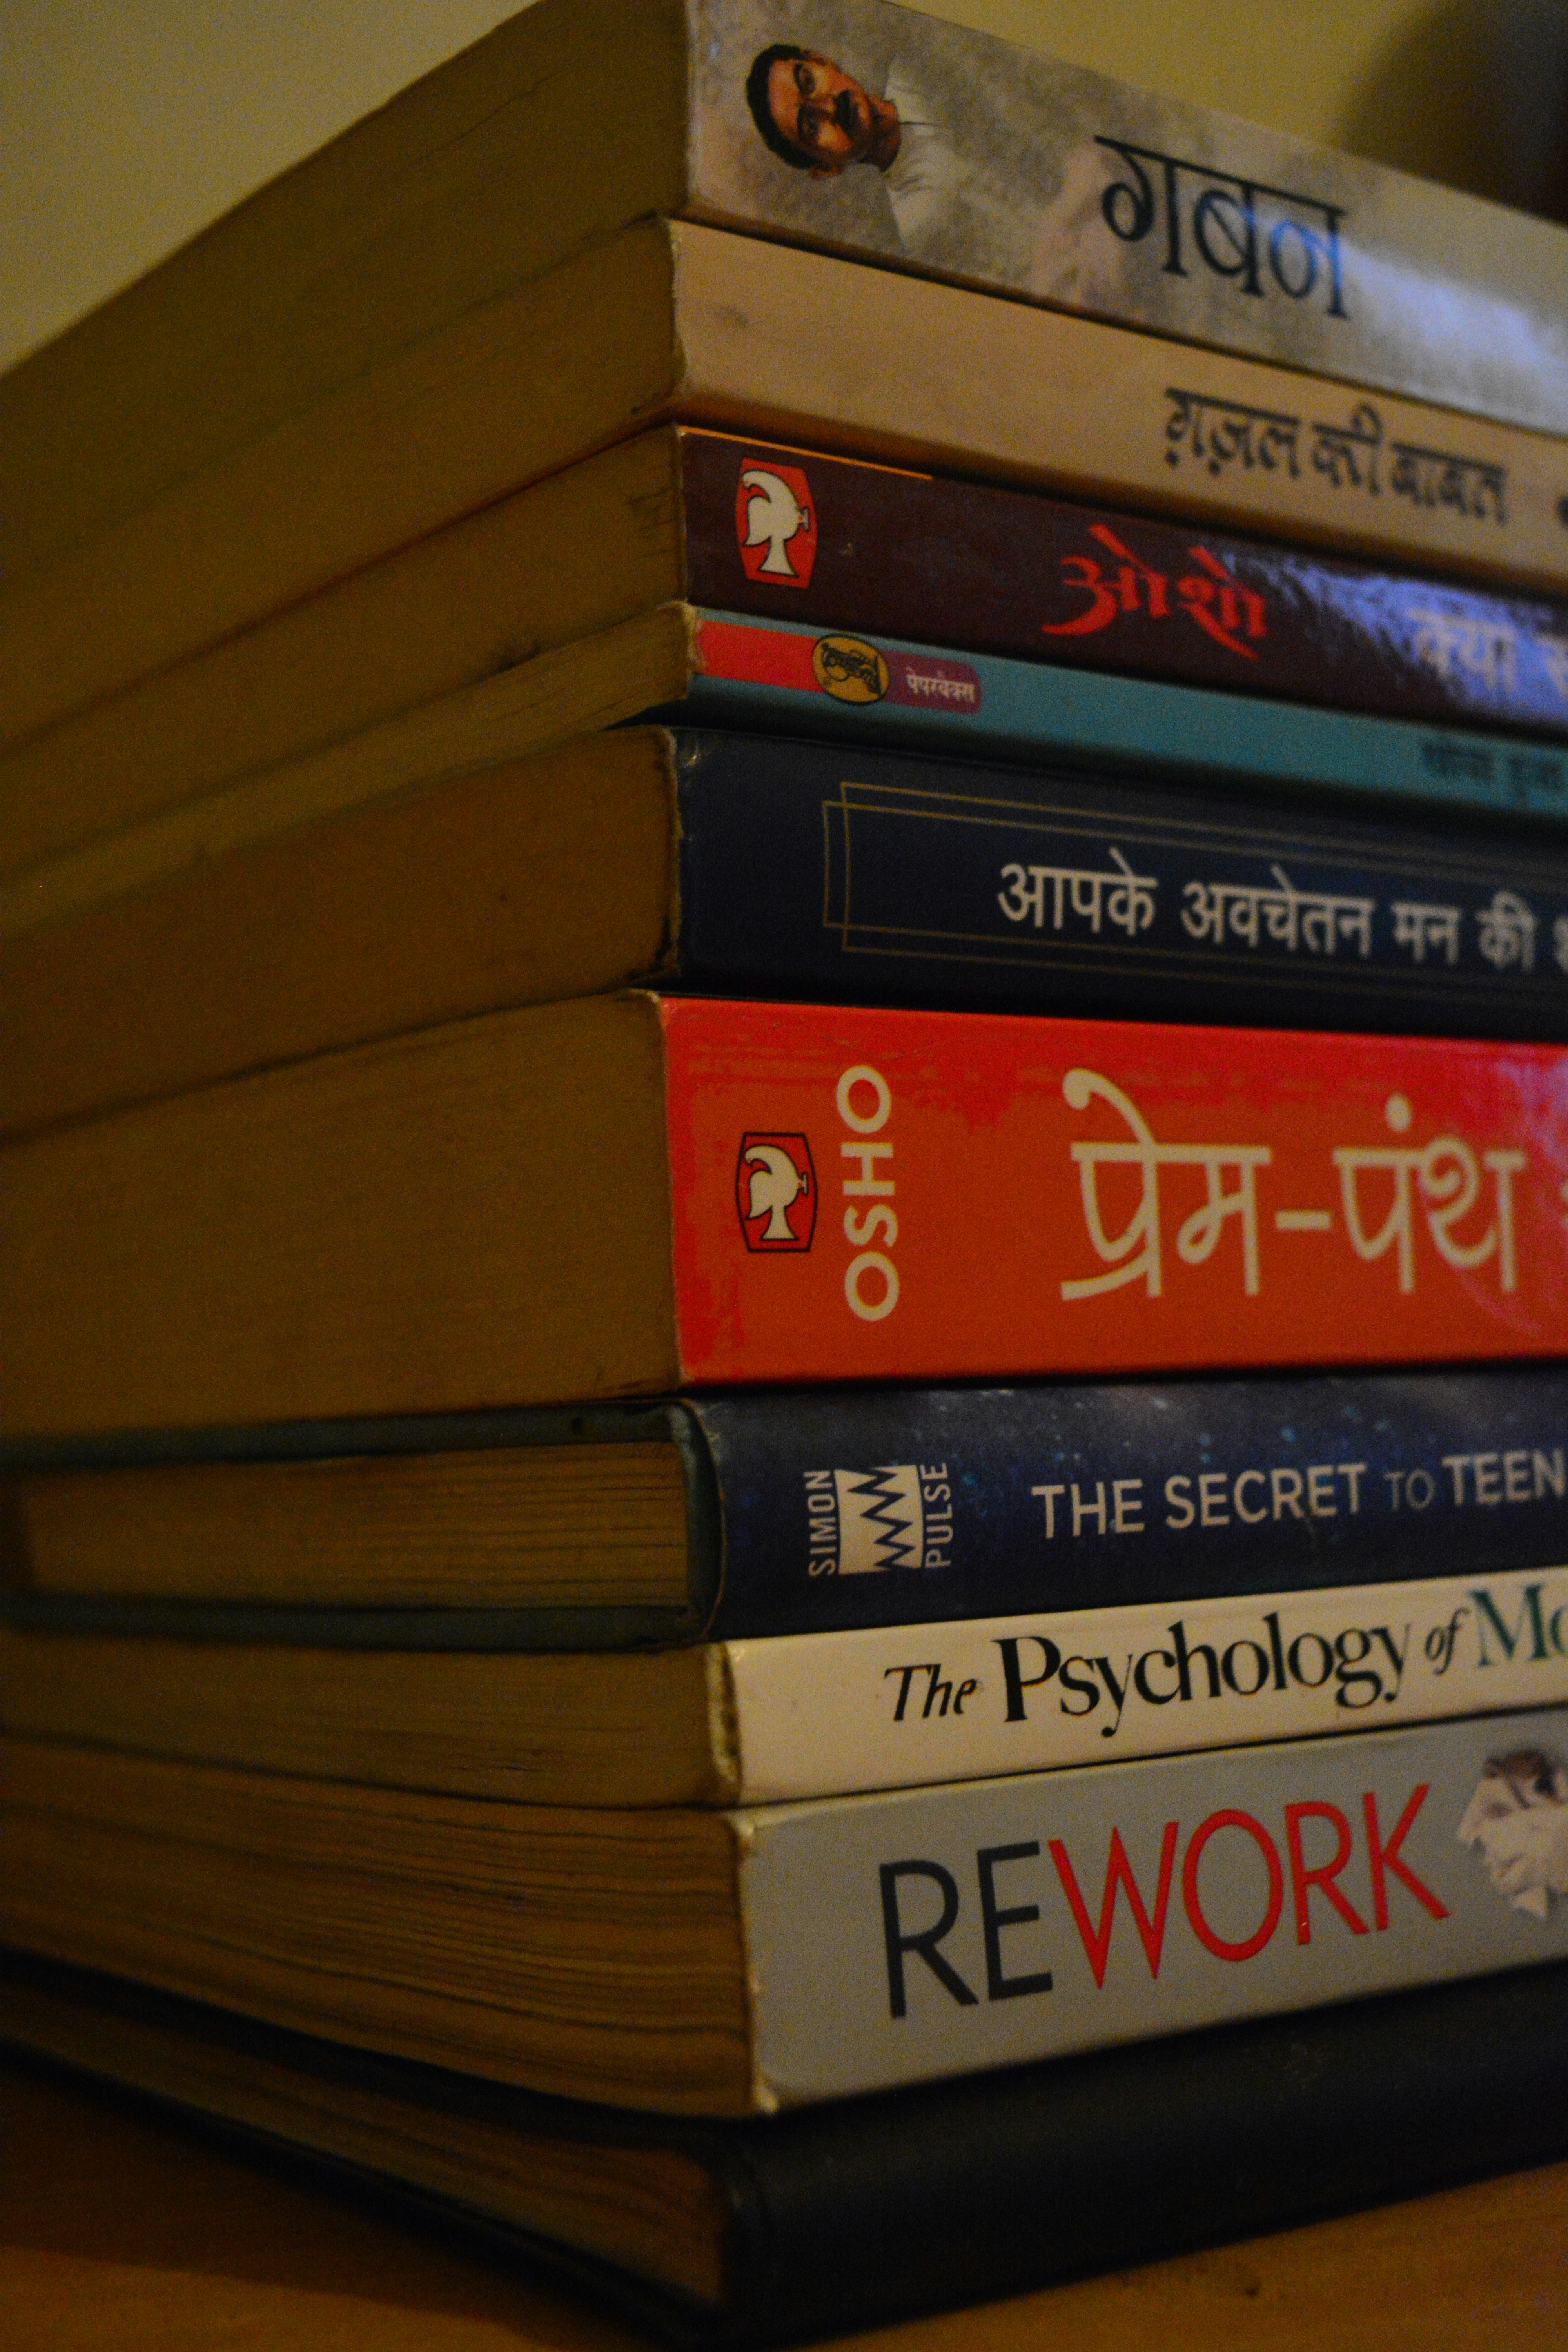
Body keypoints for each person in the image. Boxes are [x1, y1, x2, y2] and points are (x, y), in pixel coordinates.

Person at [744, 42, 964, 255]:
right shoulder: (917, 223)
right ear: (827, 169)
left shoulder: (922, 66)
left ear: (822, 60)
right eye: (811, 126)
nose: (829, 106)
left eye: (809, 82)